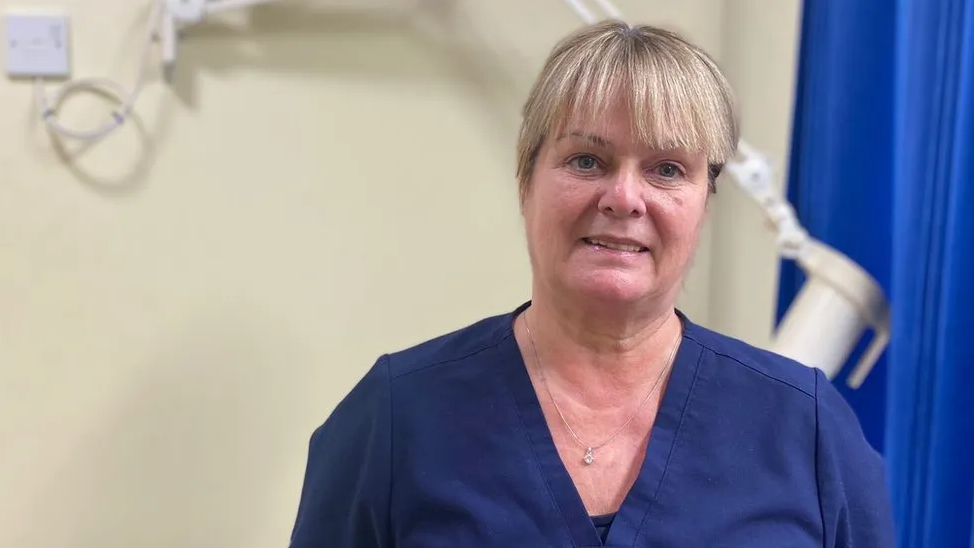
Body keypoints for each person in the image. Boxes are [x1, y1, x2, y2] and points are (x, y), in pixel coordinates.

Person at [287, 20, 896, 547]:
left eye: (666, 169)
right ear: (527, 182)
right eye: (587, 160)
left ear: (702, 205)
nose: (625, 198)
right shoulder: (398, 419)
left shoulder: (805, 428)